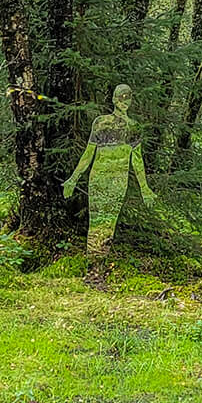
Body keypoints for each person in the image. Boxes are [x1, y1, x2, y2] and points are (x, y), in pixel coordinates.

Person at [64, 84, 158, 280]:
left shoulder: (134, 127)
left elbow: (137, 160)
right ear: (114, 99)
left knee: (109, 224)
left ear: (131, 101)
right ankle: (92, 271)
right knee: (96, 223)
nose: (124, 102)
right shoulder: (101, 123)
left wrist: (145, 188)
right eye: (120, 98)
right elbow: (88, 154)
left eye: (127, 98)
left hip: (118, 181)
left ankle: (99, 270)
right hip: (98, 179)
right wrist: (73, 179)